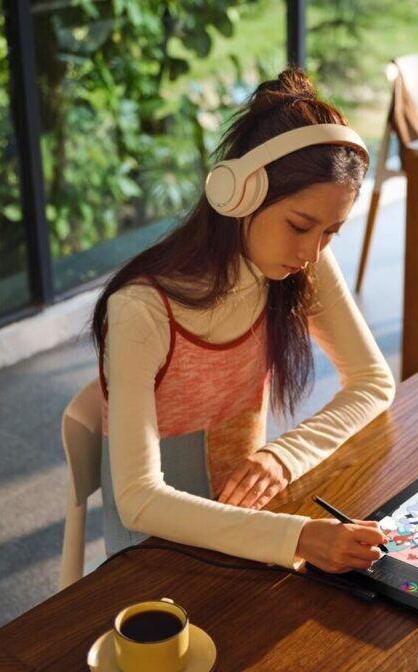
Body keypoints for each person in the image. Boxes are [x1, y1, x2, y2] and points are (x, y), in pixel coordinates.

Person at [91, 69, 394, 574]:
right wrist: (299, 537)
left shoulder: (302, 265)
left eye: (331, 232)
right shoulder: (141, 310)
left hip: (250, 524)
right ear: (240, 193)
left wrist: (283, 457)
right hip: (155, 549)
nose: (312, 251)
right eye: (300, 225)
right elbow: (139, 500)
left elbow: (372, 381)